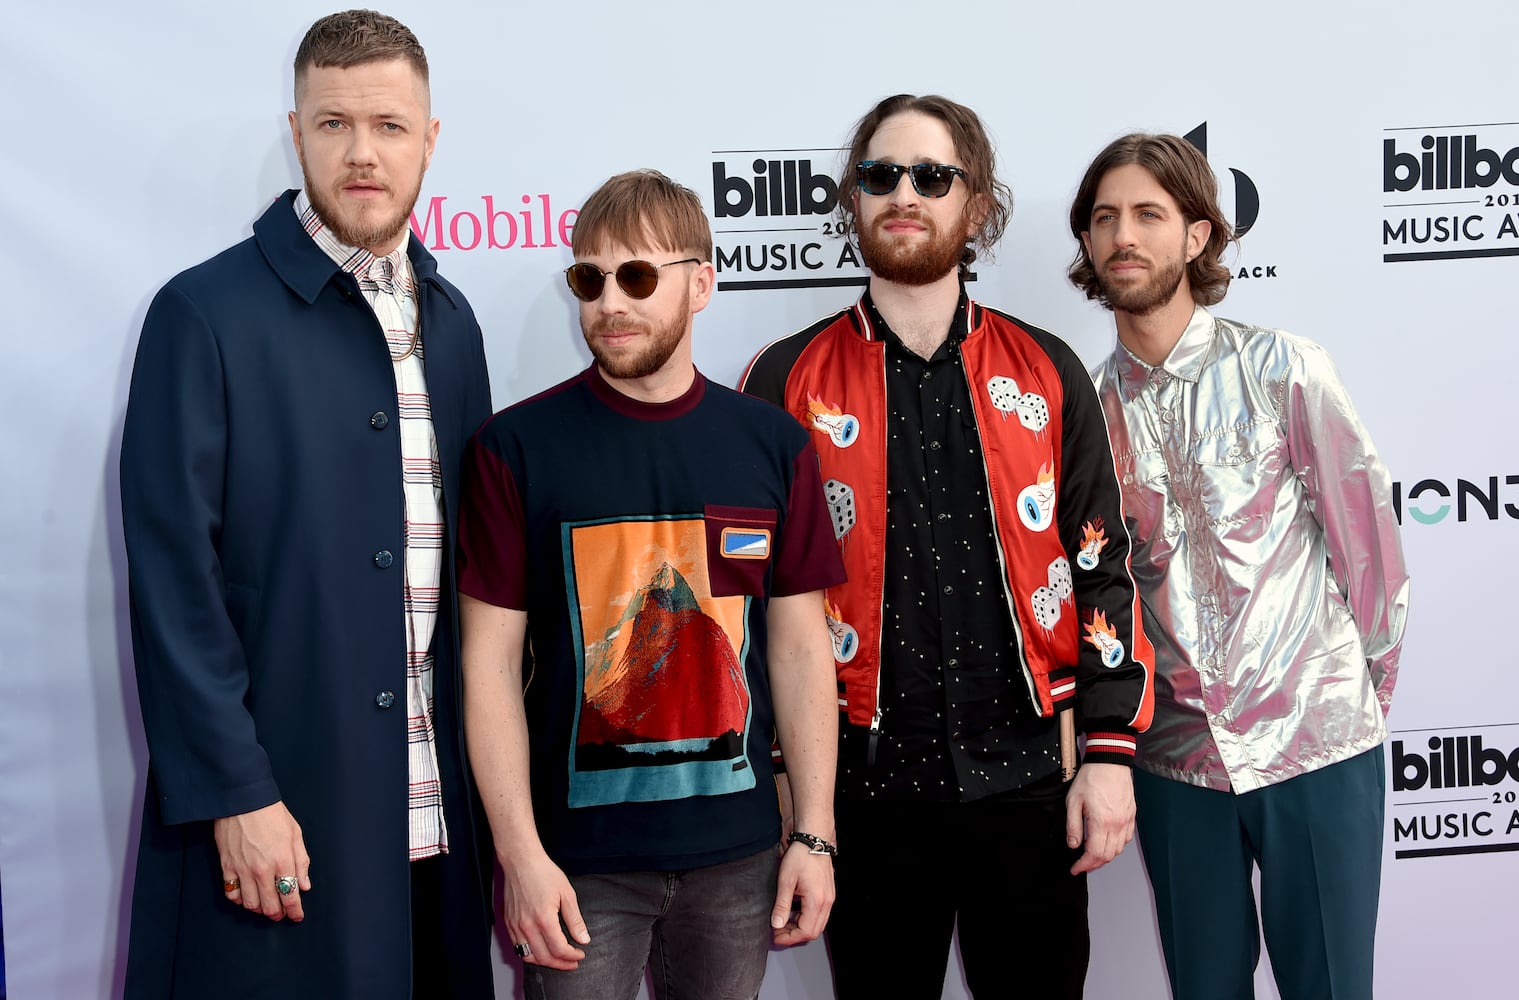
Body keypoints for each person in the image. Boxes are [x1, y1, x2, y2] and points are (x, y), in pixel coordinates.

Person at [740, 94, 1155, 999]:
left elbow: (1100, 568)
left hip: (1030, 783)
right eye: (880, 175)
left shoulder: (1045, 367)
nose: (903, 195)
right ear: (853, 199)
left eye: (931, 177)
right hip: (863, 793)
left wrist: (1111, 755)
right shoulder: (783, 379)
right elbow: (754, 604)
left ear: (975, 206)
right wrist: (787, 786)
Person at [119, 11, 494, 998]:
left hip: (436, 832)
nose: (361, 153)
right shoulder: (202, 316)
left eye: (387, 125)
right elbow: (173, 583)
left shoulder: (453, 326)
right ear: (296, 132)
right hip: (282, 824)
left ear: (430, 138)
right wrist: (236, 792)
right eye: (333, 125)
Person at [455, 168, 843, 1000]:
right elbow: (486, 667)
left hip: (738, 858)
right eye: (587, 279)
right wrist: (520, 856)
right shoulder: (514, 449)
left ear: (701, 283)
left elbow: (802, 650)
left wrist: (813, 833)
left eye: (635, 276)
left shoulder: (774, 446)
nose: (607, 303)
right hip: (575, 869)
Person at [1071, 132, 1411, 1000]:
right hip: (1176, 756)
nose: (1124, 237)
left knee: (1333, 987)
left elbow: (1365, 540)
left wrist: (1358, 688)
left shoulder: (1282, 366)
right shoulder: (1081, 411)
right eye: (1104, 218)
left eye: (1149, 214)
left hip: (1316, 740)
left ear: (1196, 236)